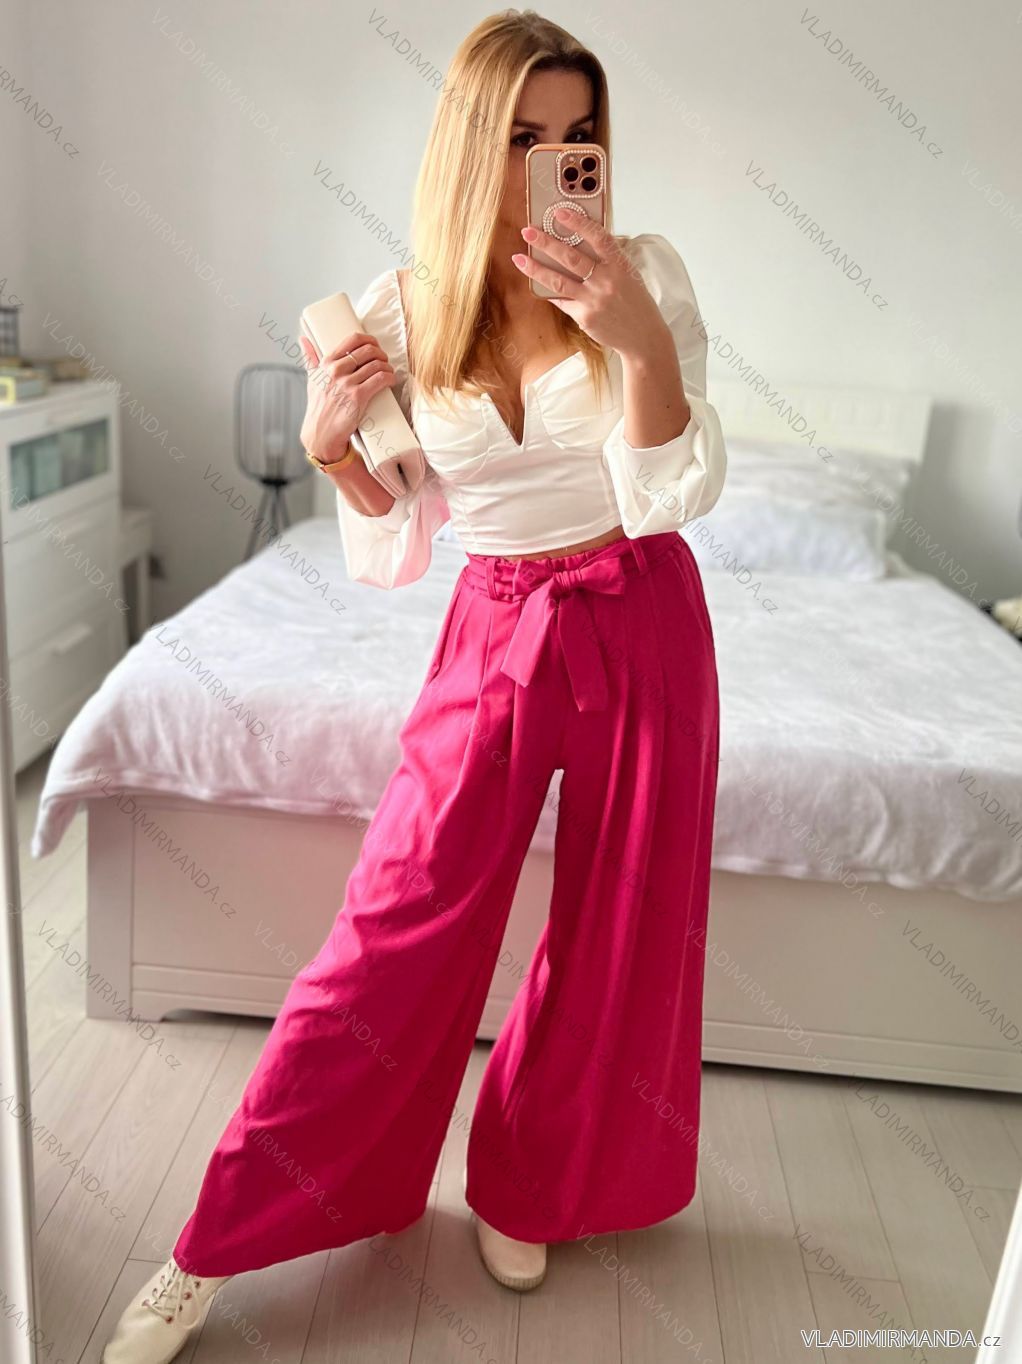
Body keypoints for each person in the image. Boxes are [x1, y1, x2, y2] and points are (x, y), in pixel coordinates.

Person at [101, 10, 725, 1362]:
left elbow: (669, 492)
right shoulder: (391, 312)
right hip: (493, 625)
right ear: (466, 143)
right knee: (392, 922)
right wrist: (332, 449)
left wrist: (639, 344)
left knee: (622, 925)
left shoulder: (645, 276)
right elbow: (397, 534)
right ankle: (215, 1240)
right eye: (522, 137)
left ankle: (532, 1190)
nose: (554, 162)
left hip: (641, 611)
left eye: (578, 136)